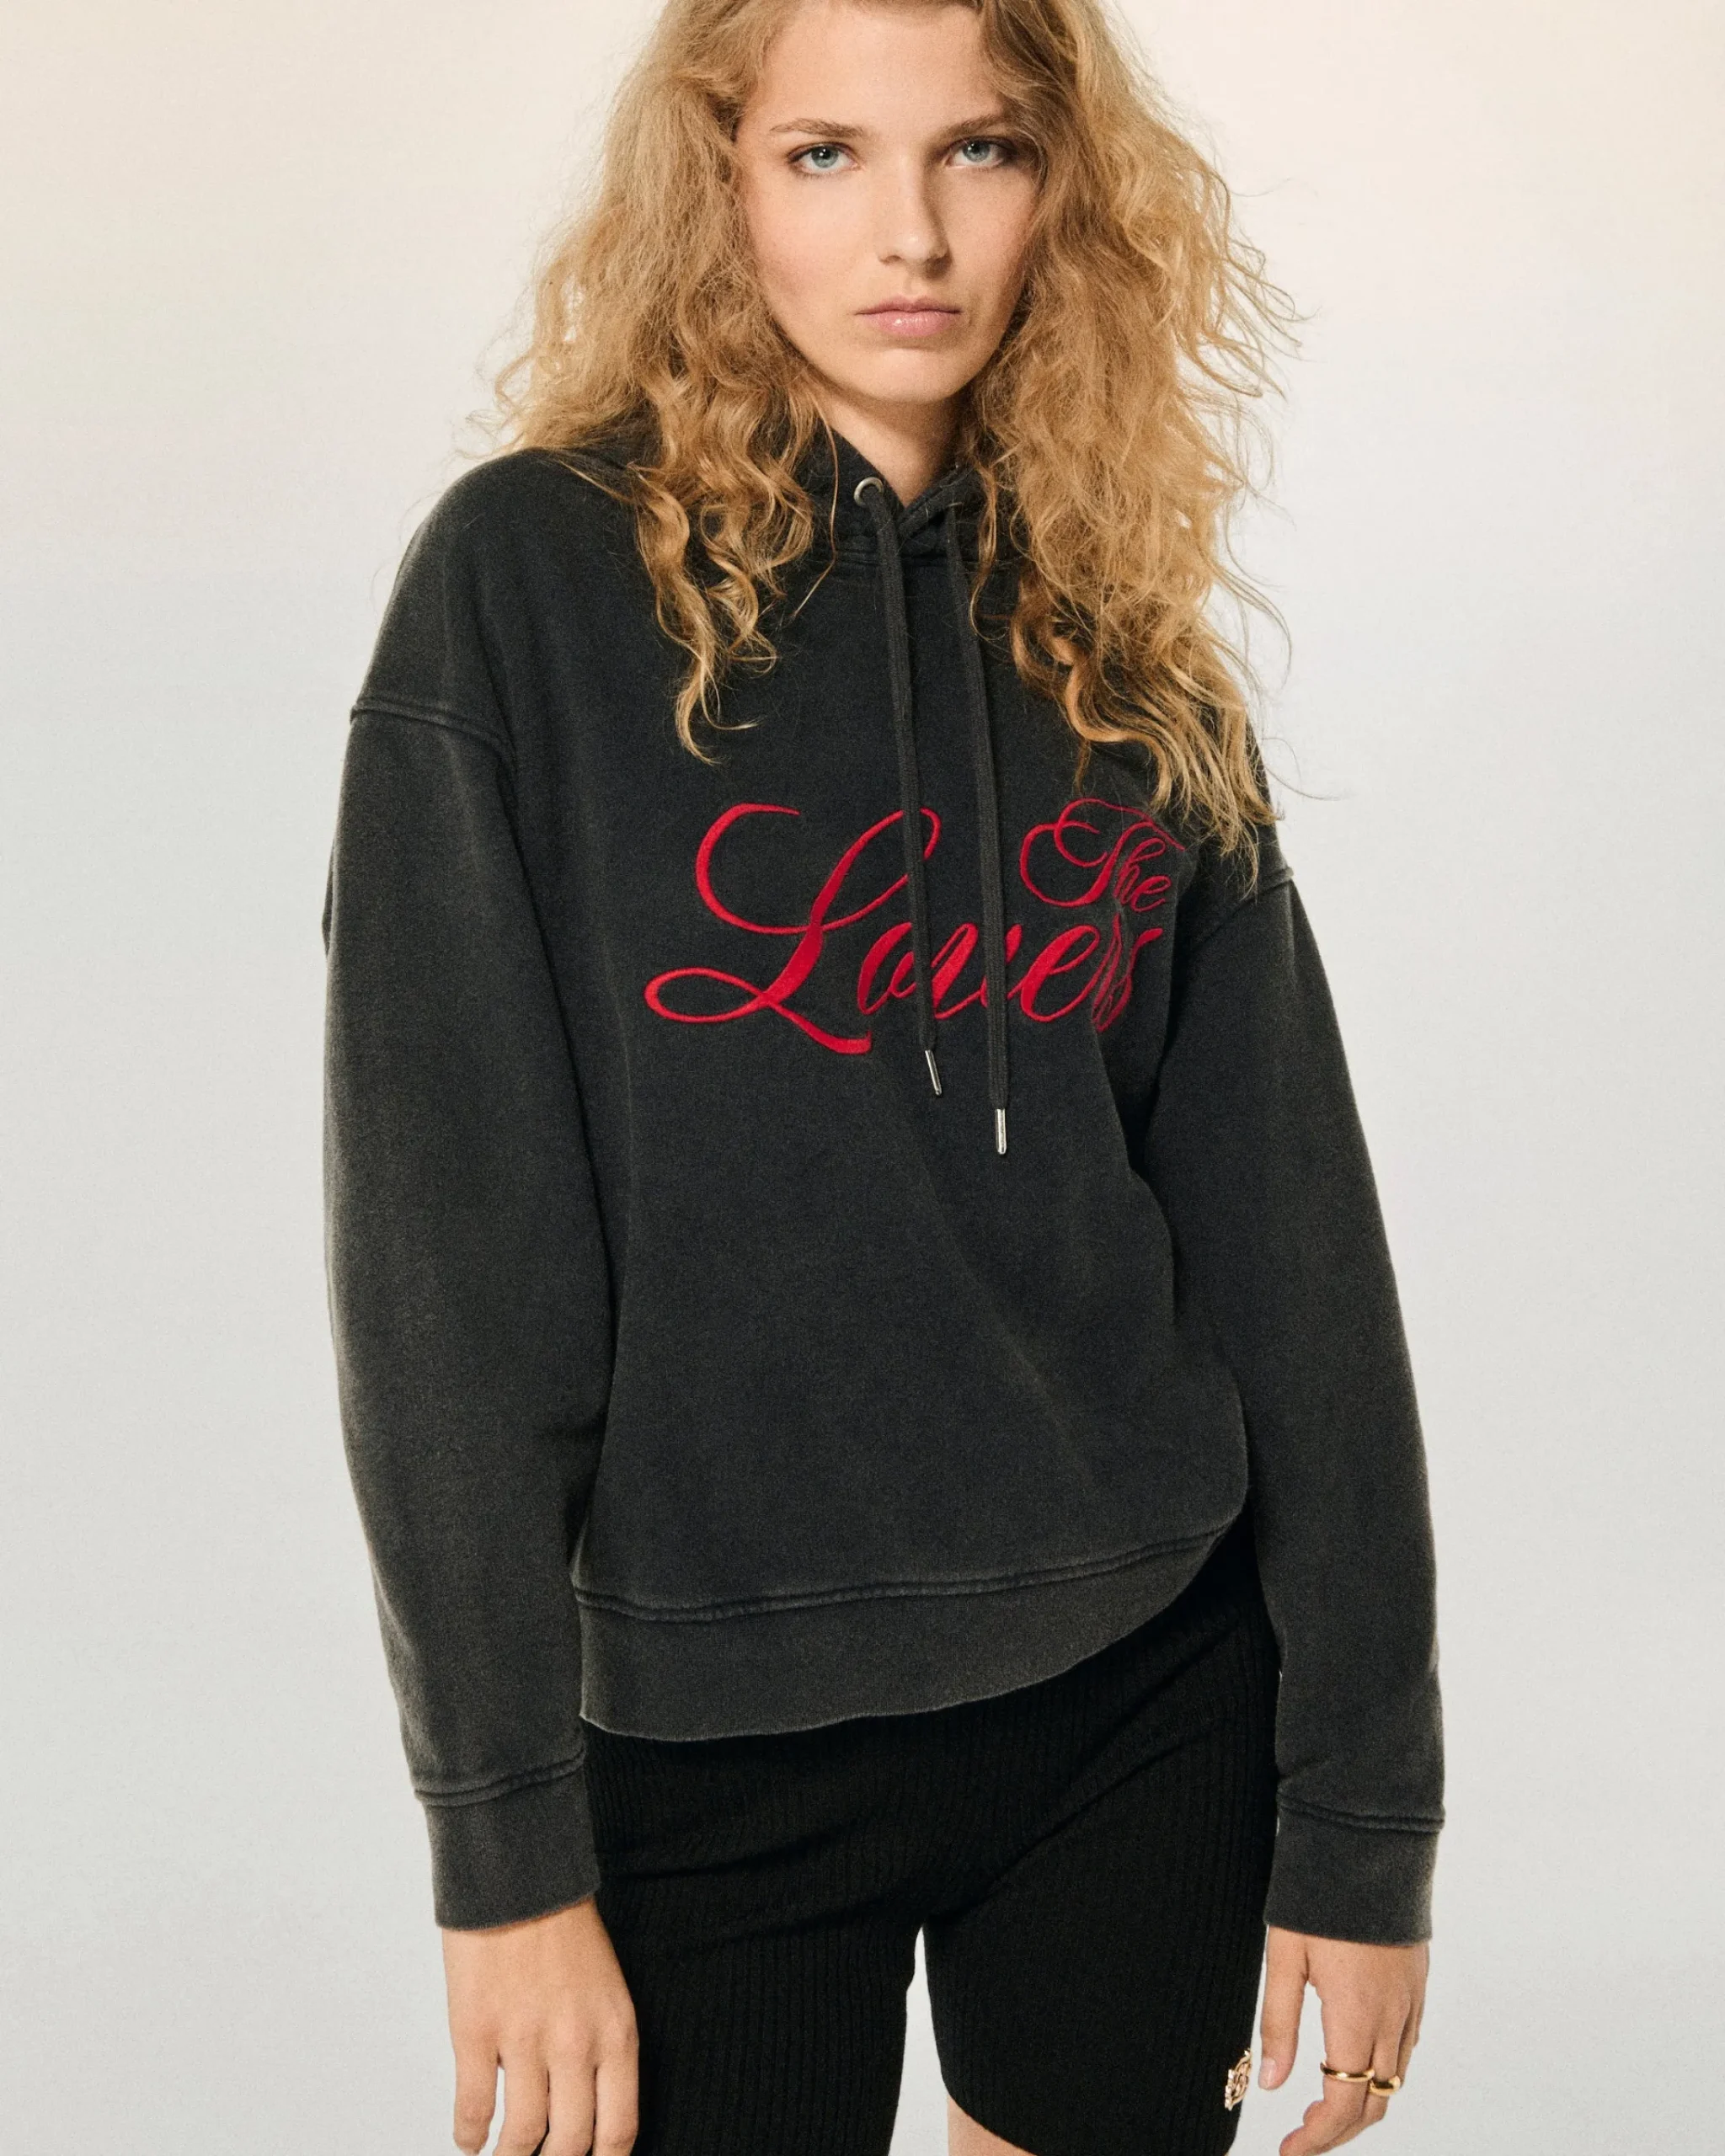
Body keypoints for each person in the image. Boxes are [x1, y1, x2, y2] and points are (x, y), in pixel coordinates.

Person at [320, 0, 1443, 2150]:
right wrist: (501, 1847)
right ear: (716, 183)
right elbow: (446, 1269)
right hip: (707, 1720)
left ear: (1061, 190)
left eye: (981, 151)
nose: (909, 232)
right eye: (824, 154)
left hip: (1145, 1678)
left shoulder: (1119, 641)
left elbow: (1294, 1244)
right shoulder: (523, 590)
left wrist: (1365, 1808)